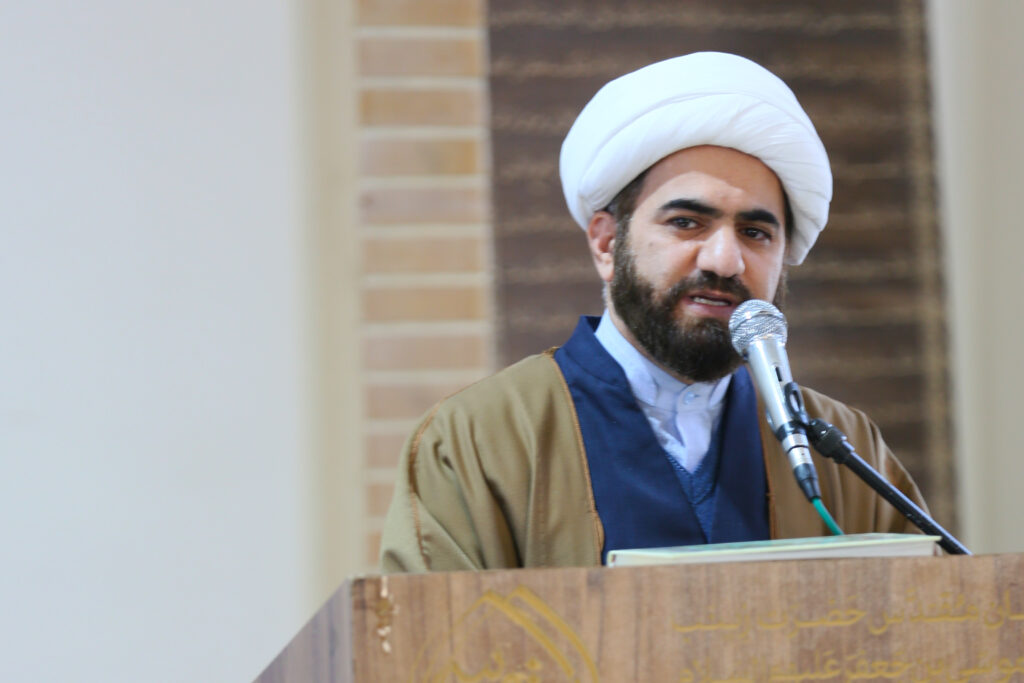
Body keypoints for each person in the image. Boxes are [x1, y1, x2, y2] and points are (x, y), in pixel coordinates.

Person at [379, 52, 927, 573]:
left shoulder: (841, 448)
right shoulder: (480, 439)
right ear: (606, 243)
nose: (725, 260)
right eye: (686, 223)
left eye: (755, 233)